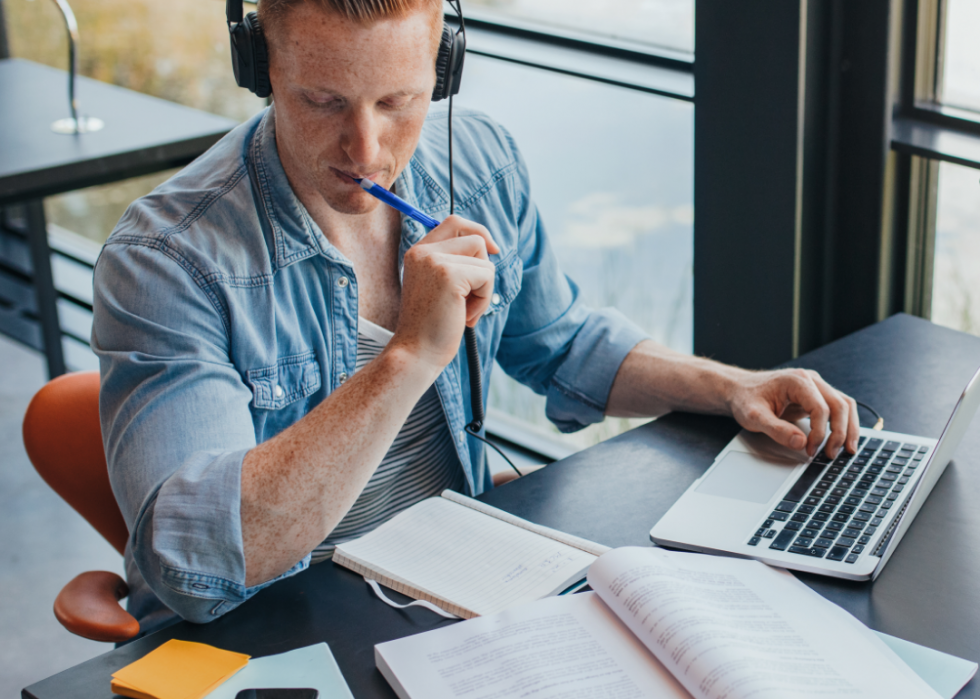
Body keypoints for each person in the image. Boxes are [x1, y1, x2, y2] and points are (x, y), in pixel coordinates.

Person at [92, 0, 860, 634]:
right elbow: (195, 560)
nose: (365, 148)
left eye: (400, 102)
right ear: (260, 66)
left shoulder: (484, 164)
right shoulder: (167, 258)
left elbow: (563, 343)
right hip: (270, 631)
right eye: (322, 101)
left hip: (448, 594)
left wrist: (732, 385)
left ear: (443, 66)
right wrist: (407, 358)